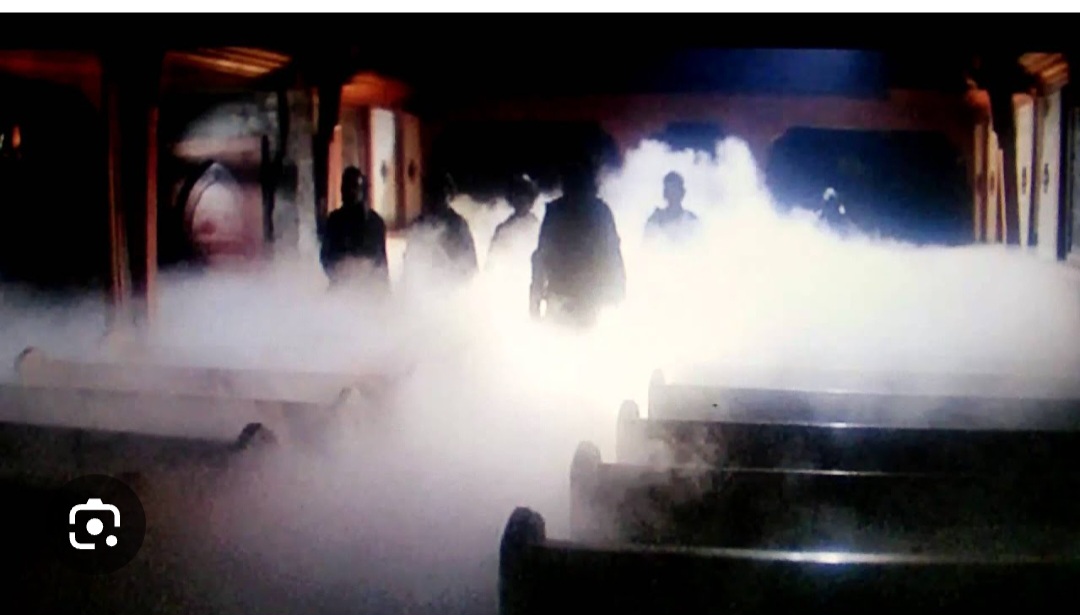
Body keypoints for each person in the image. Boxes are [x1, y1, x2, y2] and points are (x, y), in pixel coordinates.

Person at [530, 155, 626, 328]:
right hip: (565, 292)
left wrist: (617, 287)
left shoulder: (598, 212)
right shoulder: (558, 212)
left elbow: (611, 251)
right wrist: (535, 298)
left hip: (586, 294)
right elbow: (541, 255)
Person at [402, 171, 478, 287]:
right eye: (433, 194)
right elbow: (408, 268)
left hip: (451, 290)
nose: (436, 199)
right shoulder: (419, 226)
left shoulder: (458, 225)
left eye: (440, 194)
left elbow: (471, 267)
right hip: (424, 291)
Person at [320, 166, 389, 290]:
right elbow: (325, 257)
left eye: (353, 188)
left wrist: (363, 268)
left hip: (368, 286)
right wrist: (340, 270)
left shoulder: (375, 222)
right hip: (341, 285)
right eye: (345, 188)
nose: (348, 192)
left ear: (361, 191)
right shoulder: (334, 221)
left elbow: (381, 263)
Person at [488, 173, 541, 267]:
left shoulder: (538, 227)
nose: (522, 203)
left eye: (525, 198)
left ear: (531, 200)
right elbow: (492, 262)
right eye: (518, 198)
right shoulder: (503, 230)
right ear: (512, 200)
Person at [644, 171, 699, 246]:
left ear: (682, 192)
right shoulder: (655, 220)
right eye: (670, 190)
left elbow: (700, 247)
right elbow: (646, 246)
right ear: (665, 193)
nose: (673, 194)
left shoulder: (692, 221)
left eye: (675, 189)